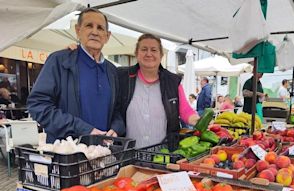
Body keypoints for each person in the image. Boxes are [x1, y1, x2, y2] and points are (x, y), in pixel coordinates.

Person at [27, 8, 125, 143]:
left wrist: (116, 128)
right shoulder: (60, 61)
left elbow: (117, 111)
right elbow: (38, 105)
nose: (95, 32)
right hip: (68, 154)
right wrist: (82, 129)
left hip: (104, 155)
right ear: (78, 30)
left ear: (107, 36)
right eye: (89, 25)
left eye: (100, 28)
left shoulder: (112, 71)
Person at [117, 33, 200, 148]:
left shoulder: (172, 81)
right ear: (136, 53)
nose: (149, 54)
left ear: (161, 55)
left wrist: (197, 120)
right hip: (127, 155)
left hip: (163, 155)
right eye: (144, 49)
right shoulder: (122, 78)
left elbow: (185, 110)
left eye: (154, 50)